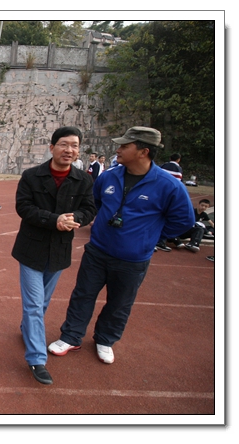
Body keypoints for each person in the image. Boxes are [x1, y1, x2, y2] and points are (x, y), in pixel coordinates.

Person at [48, 126, 194, 366]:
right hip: (97, 251)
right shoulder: (109, 176)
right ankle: (71, 336)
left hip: (133, 259)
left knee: (119, 302)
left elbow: (184, 221)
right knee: (83, 294)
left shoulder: (169, 186)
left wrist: (150, 237)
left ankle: (105, 339)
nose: (118, 149)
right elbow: (94, 203)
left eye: (125, 146)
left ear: (143, 152)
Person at [12, 126, 97, 385]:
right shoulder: (32, 176)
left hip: (59, 250)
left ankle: (28, 329)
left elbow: (89, 209)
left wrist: (75, 218)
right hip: (31, 249)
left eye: (74, 145)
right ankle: (37, 359)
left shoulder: (83, 180)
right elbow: (23, 207)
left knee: (42, 302)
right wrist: (54, 220)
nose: (69, 150)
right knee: (34, 305)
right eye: (63, 144)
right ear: (52, 148)